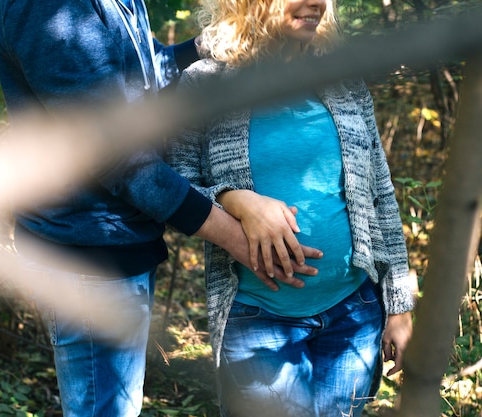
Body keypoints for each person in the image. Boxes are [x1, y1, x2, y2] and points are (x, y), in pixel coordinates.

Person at [0, 0, 321, 416]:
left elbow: (136, 77)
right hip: (90, 256)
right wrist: (237, 237)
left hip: (121, 241)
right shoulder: (49, 10)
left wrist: (202, 47)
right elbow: (116, 156)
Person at [167, 0, 418, 416]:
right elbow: (175, 184)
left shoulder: (342, 76)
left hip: (353, 312)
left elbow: (380, 195)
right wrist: (234, 198)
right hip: (257, 318)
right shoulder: (205, 82)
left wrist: (399, 305)